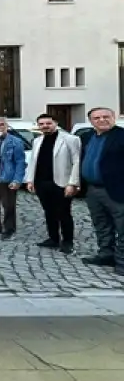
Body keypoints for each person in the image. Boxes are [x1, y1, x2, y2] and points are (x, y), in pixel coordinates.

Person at [25, 112, 81, 254]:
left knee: (64, 213)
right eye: (42, 124)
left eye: (48, 123)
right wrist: (30, 180)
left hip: (61, 182)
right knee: (48, 212)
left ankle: (68, 242)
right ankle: (53, 238)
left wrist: (72, 183)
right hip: (41, 182)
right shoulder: (37, 141)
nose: (45, 126)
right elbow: (33, 162)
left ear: (55, 123)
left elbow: (77, 162)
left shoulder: (70, 139)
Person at [78, 107, 124, 273]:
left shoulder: (121, 136)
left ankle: (122, 262)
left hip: (117, 190)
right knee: (102, 224)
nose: (102, 120)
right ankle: (106, 255)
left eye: (106, 116)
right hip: (93, 189)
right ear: (91, 121)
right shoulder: (87, 137)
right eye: (97, 118)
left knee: (122, 226)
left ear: (113, 117)